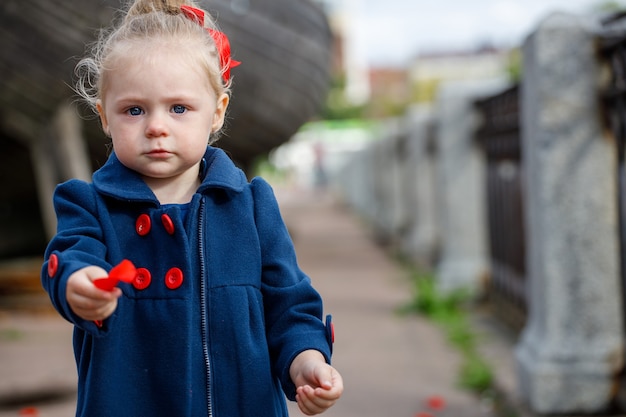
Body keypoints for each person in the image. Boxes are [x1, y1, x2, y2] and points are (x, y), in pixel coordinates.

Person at [40, 0, 343, 415]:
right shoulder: (89, 203)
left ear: (216, 112)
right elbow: (72, 256)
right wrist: (80, 283)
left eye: (179, 108)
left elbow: (288, 304)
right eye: (134, 110)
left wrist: (306, 360)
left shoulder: (250, 205)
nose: (157, 126)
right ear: (104, 117)